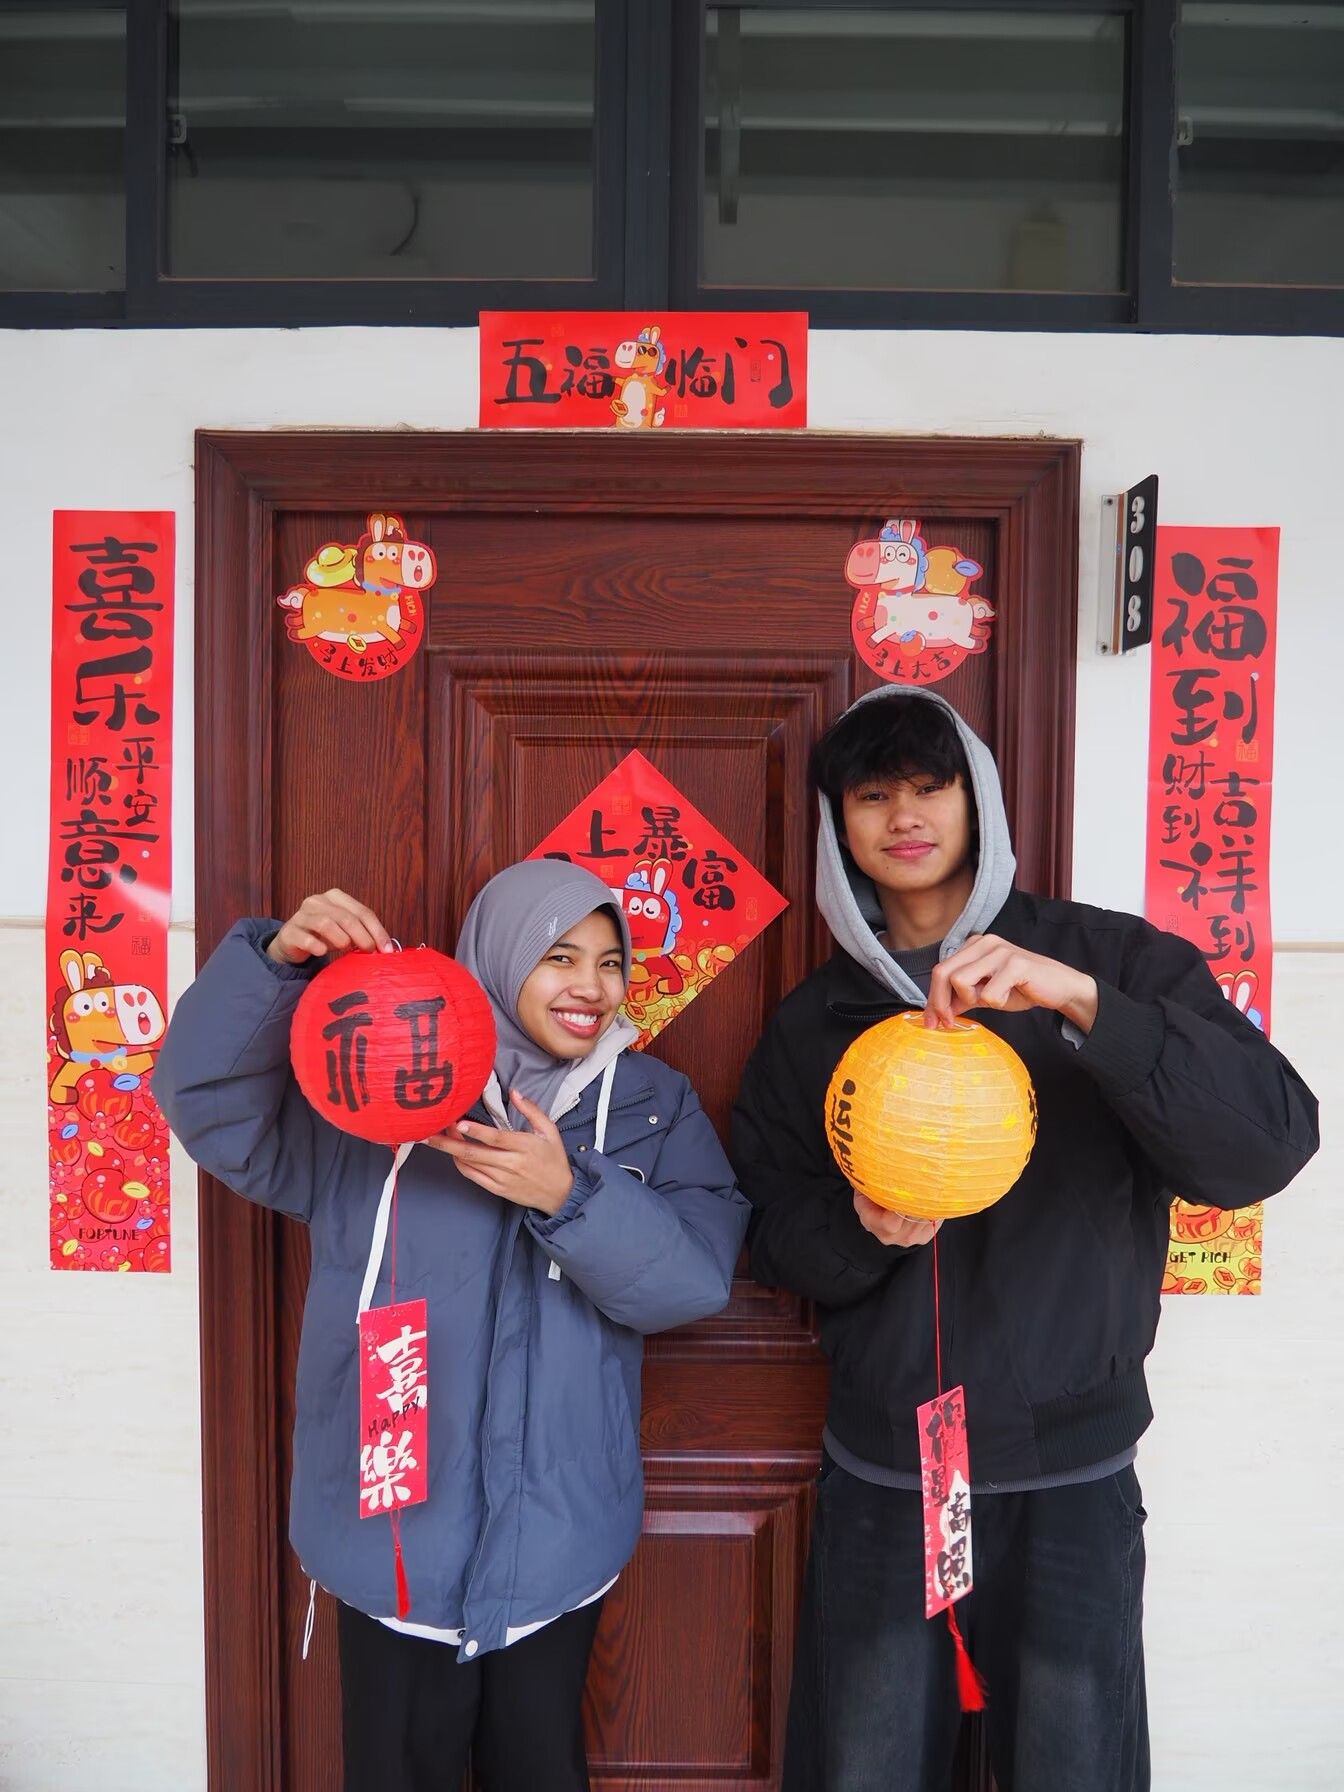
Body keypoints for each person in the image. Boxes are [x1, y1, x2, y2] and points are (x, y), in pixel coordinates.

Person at [732, 686, 1319, 1792]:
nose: (905, 815)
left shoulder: (1110, 960)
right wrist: (861, 1230)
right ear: (838, 823)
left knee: (1073, 1769)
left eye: (931, 785)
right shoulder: (815, 1023)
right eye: (872, 794)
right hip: (887, 1476)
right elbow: (769, 1232)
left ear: (981, 801)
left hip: (1070, 1476)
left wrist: (1089, 1007)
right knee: (863, 1768)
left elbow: (1268, 1144)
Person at [155, 860, 748, 1792]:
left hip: (559, 1539)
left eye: (609, 962)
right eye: (559, 956)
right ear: (498, 956)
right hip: (391, 1533)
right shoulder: (380, 1086)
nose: (591, 987)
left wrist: (570, 1196)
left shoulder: (652, 1104)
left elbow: (693, 1280)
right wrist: (275, 967)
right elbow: (211, 1106)